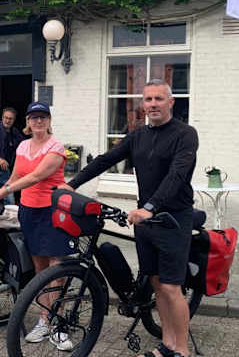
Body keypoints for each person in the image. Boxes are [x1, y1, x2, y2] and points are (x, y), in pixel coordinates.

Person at [59, 79, 199, 357]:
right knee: (156, 283)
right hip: (145, 220)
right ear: (143, 104)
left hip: (173, 219)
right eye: (148, 99)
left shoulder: (185, 134)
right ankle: (167, 345)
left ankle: (182, 351)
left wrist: (151, 207)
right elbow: (106, 159)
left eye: (159, 99)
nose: (153, 104)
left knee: (171, 287)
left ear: (171, 102)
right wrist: (72, 184)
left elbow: (177, 175)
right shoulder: (138, 135)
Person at [0, 101, 74, 351]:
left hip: (53, 211)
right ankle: (44, 319)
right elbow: (16, 177)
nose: (38, 121)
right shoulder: (22, 146)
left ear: (49, 121)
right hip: (29, 211)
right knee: (40, 269)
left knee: (56, 269)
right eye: (34, 117)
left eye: (43, 117)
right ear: (28, 122)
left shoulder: (56, 147)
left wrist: (2, 191)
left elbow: (36, 176)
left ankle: (59, 324)